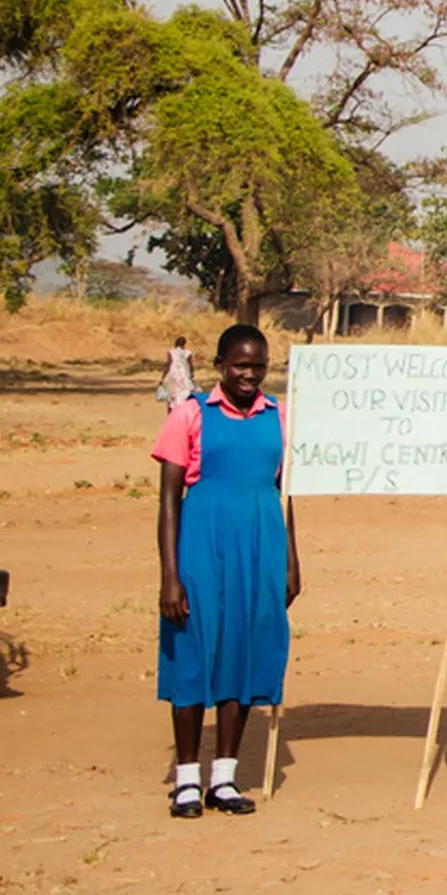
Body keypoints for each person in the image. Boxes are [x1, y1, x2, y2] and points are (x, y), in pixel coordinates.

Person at [153, 324, 299, 818]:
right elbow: (169, 499)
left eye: (258, 366)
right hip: (202, 541)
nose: (249, 375)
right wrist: (170, 575)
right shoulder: (190, 414)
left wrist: (291, 562)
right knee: (194, 651)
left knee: (242, 651)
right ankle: (187, 780)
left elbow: (287, 493)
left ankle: (225, 777)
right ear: (219, 365)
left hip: (261, 543)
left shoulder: (277, 416)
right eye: (240, 365)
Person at [156, 335, 194, 405]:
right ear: (184, 344)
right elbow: (191, 365)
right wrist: (191, 375)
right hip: (184, 374)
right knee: (185, 394)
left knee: (173, 395)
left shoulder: (171, 352)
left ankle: (171, 413)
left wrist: (162, 378)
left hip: (173, 374)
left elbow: (168, 365)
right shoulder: (188, 353)